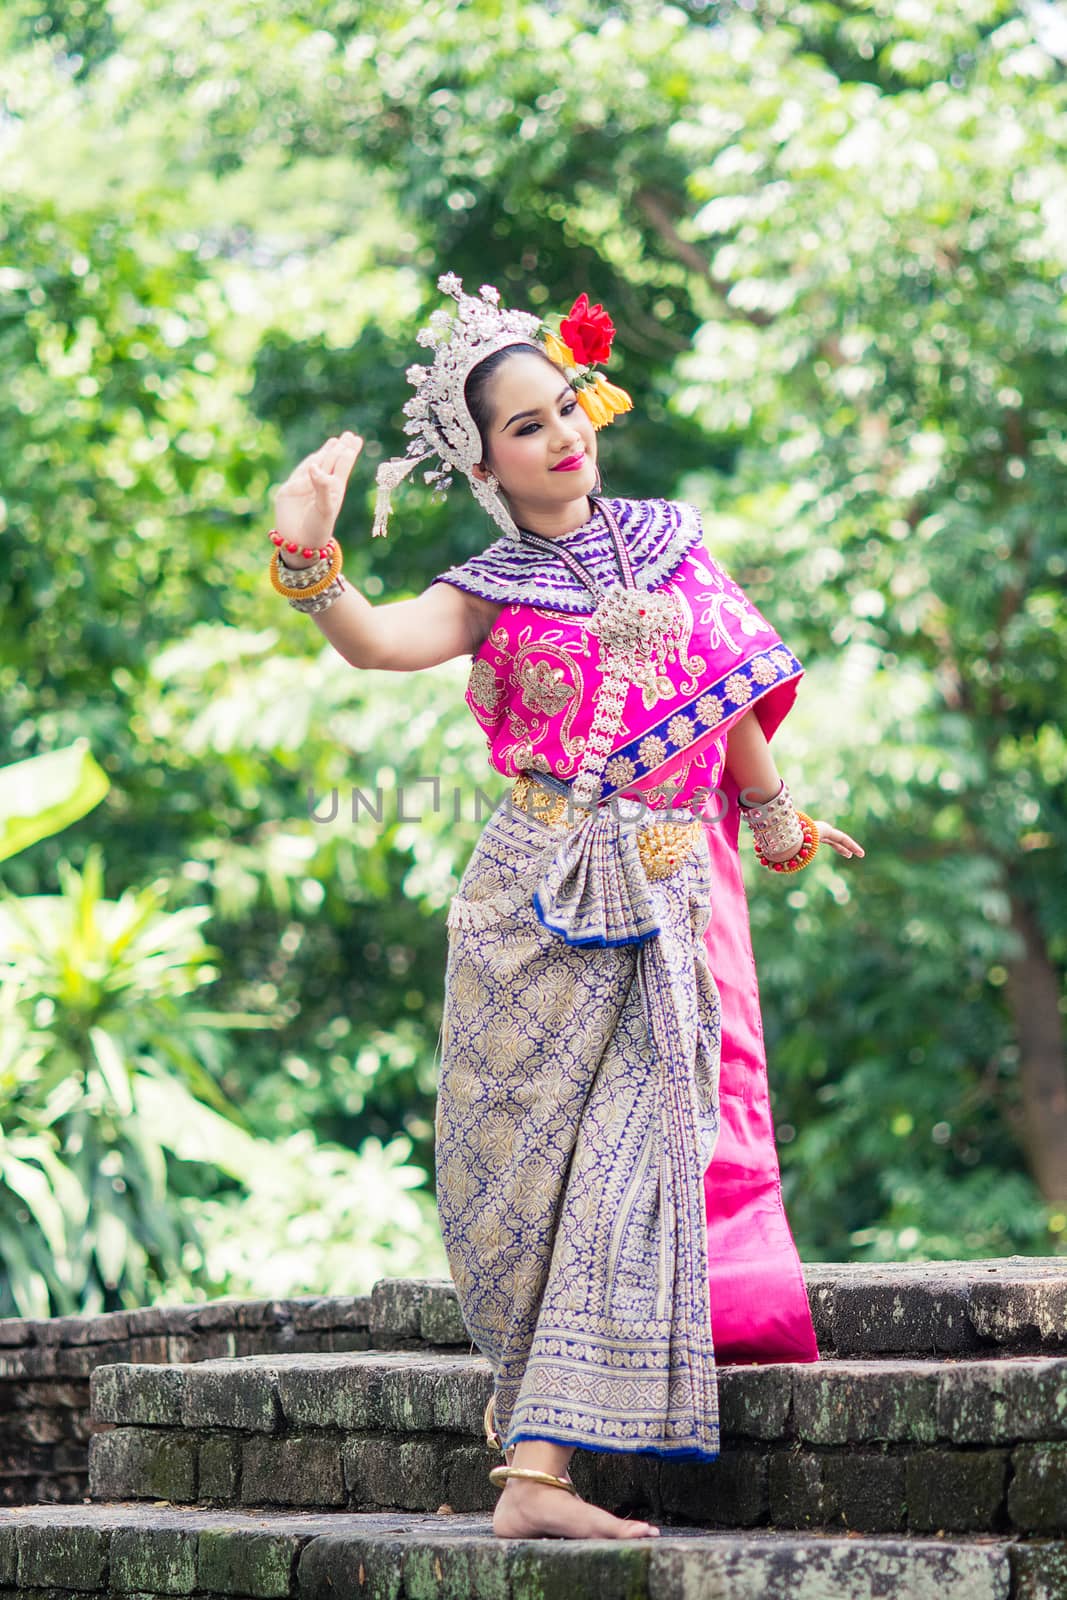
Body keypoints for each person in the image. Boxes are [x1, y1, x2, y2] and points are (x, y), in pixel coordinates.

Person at [267, 273, 865, 1543]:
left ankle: (536, 1479)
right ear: (485, 464)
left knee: (637, 1153)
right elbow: (374, 640)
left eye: (564, 405)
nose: (561, 434)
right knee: (526, 1184)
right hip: (526, 901)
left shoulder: (669, 539)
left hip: (657, 892)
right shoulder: (488, 584)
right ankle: (533, 1470)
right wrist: (306, 550)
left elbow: (732, 686)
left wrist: (770, 819)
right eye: (525, 425)